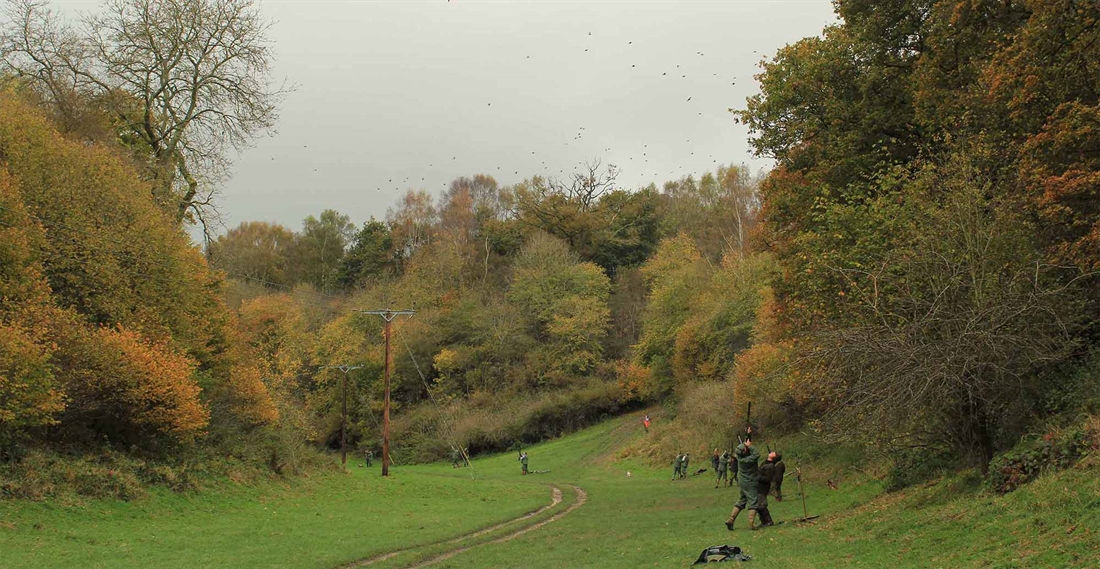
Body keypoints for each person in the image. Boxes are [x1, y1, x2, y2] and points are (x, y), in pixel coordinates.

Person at [725, 436, 760, 531]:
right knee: (753, 502)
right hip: (750, 482)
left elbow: (747, 450)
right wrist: (751, 446)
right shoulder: (747, 460)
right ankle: (751, 524)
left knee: (741, 501)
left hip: (742, 482)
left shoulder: (740, 458)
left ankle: (731, 520)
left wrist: (748, 435)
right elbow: (756, 454)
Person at [756, 451, 778, 527]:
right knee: (758, 506)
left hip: (763, 487)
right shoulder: (765, 462)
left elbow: (768, 479)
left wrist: (758, 477)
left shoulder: (770, 466)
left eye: (774, 453)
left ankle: (769, 521)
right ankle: (763, 522)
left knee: (761, 505)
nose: (772, 452)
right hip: (758, 486)